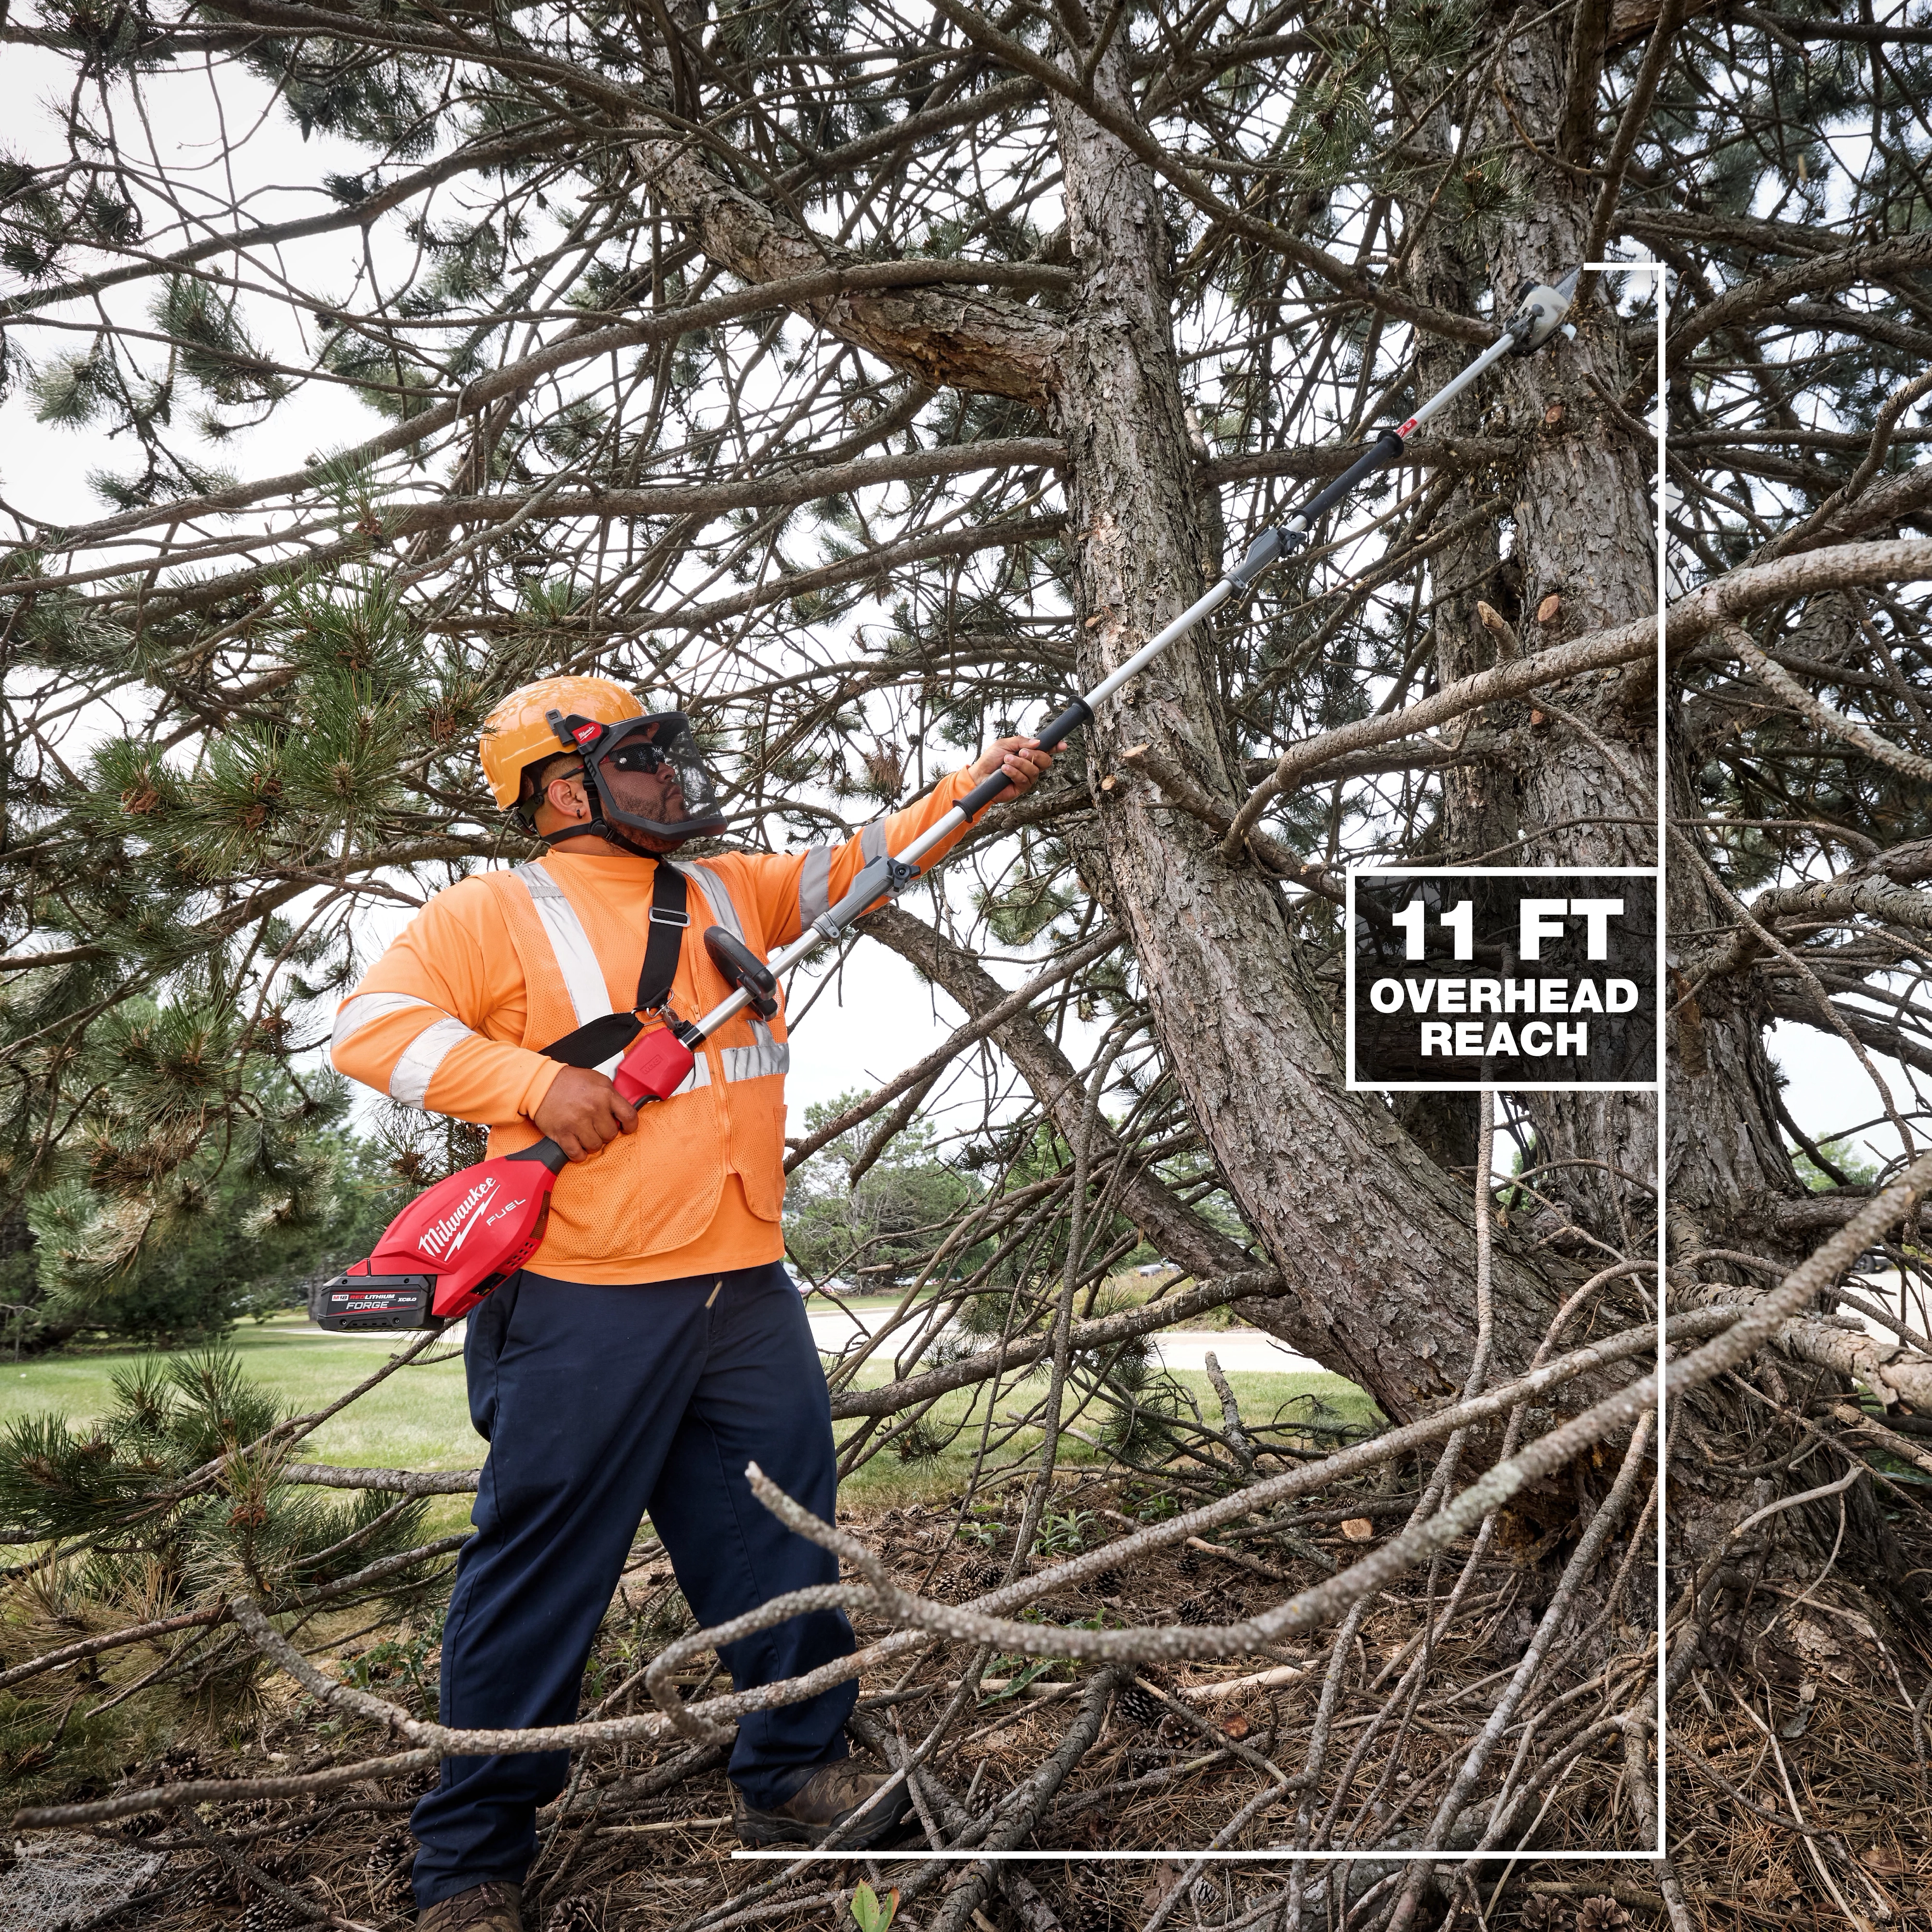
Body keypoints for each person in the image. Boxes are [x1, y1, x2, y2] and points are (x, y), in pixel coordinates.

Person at [330, 675, 1051, 1932]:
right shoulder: (491, 912)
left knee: (782, 1541)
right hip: (580, 1303)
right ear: (562, 787)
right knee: (541, 1572)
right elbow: (370, 1028)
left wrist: (976, 785)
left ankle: (793, 1772)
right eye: (647, 759)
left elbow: (865, 864)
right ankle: (471, 1858)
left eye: (670, 755)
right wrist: (529, 1085)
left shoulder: (730, 892)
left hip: (742, 1286)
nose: (676, 777)